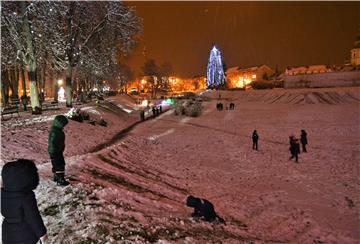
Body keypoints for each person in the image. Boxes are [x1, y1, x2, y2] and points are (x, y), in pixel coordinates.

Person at [1, 159, 48, 244]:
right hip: (25, 235)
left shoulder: (2, 194)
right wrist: (42, 233)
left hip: (7, 233)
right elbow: (33, 217)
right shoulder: (26, 197)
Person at [48, 115, 70, 186]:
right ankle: (60, 180)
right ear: (59, 123)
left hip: (56, 151)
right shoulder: (55, 132)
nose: (64, 126)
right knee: (60, 164)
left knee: (56, 164)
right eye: (63, 124)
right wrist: (56, 150)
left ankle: (56, 177)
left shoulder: (57, 130)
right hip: (55, 151)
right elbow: (52, 142)